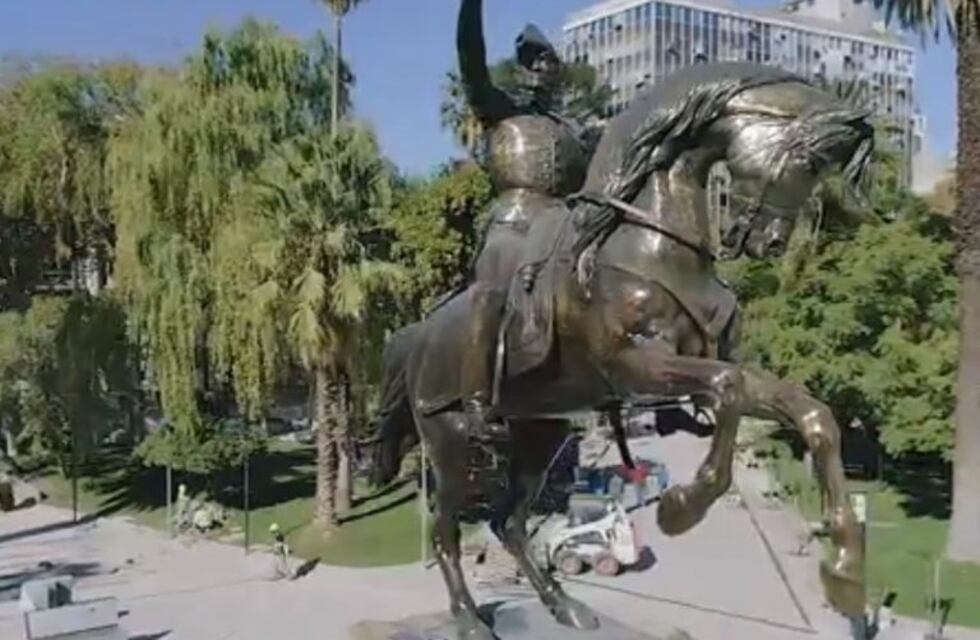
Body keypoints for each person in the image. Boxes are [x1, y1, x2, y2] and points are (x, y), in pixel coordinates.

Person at [454, 0, 600, 442]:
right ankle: (477, 402)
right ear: (519, 70)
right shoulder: (499, 109)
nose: (539, 69)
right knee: (491, 292)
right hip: (513, 220)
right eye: (531, 62)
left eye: (547, 62)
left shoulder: (574, 131)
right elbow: (470, 57)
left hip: (566, 222)